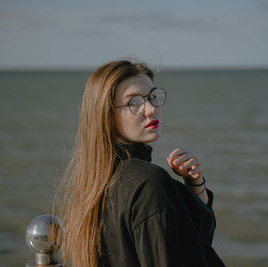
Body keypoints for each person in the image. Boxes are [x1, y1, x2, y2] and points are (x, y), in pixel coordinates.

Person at [56, 60, 225, 267]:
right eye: (133, 102)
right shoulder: (149, 183)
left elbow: (191, 244)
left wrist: (195, 185)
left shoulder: (97, 181)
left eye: (152, 97)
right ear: (107, 115)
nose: (151, 109)